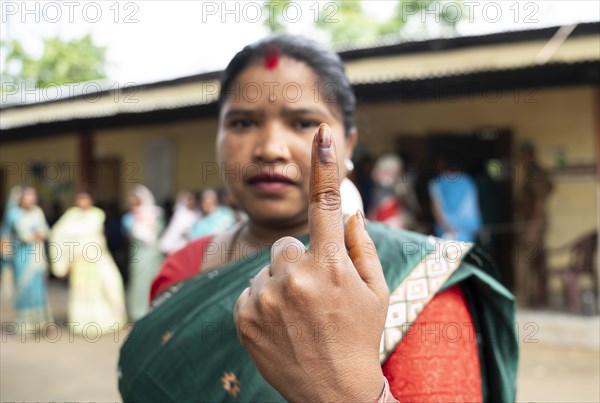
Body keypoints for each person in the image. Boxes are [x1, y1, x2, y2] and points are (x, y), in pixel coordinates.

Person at [118, 34, 517, 402]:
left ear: (349, 144)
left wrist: (345, 389)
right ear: (218, 139)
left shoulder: (416, 277)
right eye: (242, 122)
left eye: (304, 122)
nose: (270, 148)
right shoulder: (183, 265)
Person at [49, 191, 127, 333]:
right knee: (83, 290)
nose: (83, 202)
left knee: (108, 284)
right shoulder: (71, 217)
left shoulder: (97, 215)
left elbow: (100, 235)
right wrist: (66, 259)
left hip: (97, 258)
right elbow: (58, 234)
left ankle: (106, 320)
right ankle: (83, 322)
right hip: (80, 261)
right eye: (80, 199)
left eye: (85, 199)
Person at [515, 142, 554, 306]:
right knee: (533, 260)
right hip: (532, 222)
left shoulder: (535, 173)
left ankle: (523, 298)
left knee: (523, 259)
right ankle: (536, 297)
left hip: (533, 223)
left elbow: (539, 202)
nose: (518, 159)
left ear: (527, 155)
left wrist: (533, 227)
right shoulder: (531, 171)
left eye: (520, 155)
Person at [8, 186, 53, 326]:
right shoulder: (13, 213)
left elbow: (46, 230)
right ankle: (24, 325)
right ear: (20, 198)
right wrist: (32, 235)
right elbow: (11, 234)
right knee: (23, 287)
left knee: (38, 288)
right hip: (21, 255)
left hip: (37, 254)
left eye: (33, 195)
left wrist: (39, 234)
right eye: (27, 195)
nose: (31, 198)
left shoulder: (37, 212)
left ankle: (39, 324)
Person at [122, 185, 165, 321]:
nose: (134, 204)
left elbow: (160, 233)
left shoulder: (156, 214)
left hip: (155, 255)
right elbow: (132, 234)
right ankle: (138, 313)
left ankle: (154, 310)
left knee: (154, 281)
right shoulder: (129, 218)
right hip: (139, 255)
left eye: (136, 200)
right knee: (139, 283)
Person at [429, 158, 483, 242]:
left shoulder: (437, 183)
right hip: (467, 230)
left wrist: (446, 227)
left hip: (446, 231)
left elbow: (436, 207)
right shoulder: (468, 181)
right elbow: (473, 206)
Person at [369, 154, 420, 231]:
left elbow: (412, 207)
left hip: (395, 224)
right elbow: (375, 209)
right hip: (383, 224)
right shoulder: (379, 188)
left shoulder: (401, 185)